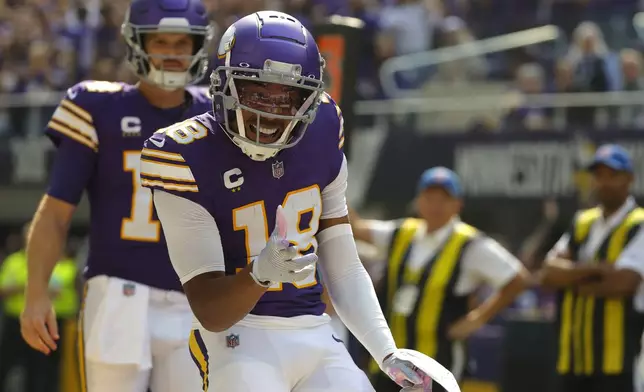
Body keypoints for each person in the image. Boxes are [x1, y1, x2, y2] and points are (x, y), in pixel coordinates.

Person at [141, 11, 450, 392]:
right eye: (258, 92)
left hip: (314, 330)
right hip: (236, 336)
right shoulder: (181, 153)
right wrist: (259, 274)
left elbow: (342, 261)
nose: (272, 110)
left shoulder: (323, 125)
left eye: (289, 96)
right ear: (223, 83)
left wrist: (386, 352)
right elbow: (210, 311)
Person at [19, 0, 214, 391]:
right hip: (119, 292)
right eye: (161, 41)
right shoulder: (96, 106)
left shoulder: (217, 115)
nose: (173, 53)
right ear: (137, 42)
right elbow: (56, 211)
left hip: (199, 299)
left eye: (183, 42)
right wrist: (36, 291)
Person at [350, 167, 530, 392]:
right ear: (418, 201)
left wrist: (477, 319)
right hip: (392, 359)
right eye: (429, 197)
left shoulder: (470, 244)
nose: (435, 205)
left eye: (443, 199)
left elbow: (518, 279)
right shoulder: (402, 232)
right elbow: (357, 228)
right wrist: (330, 186)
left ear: (458, 205)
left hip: (437, 363)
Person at [541, 144, 644, 392]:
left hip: (618, 361)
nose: (604, 182)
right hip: (573, 358)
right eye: (599, 175)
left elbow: (624, 283)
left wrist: (572, 277)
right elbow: (548, 273)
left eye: (613, 175)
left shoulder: (638, 223)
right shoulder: (582, 222)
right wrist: (597, 269)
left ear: (629, 179)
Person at [0, 221, 77, 392]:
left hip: (51, 324)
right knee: (7, 364)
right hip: (15, 321)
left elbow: (68, 294)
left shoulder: (62, 264)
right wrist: (33, 288)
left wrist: (26, 288)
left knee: (43, 369)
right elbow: (3, 289)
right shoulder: (14, 262)